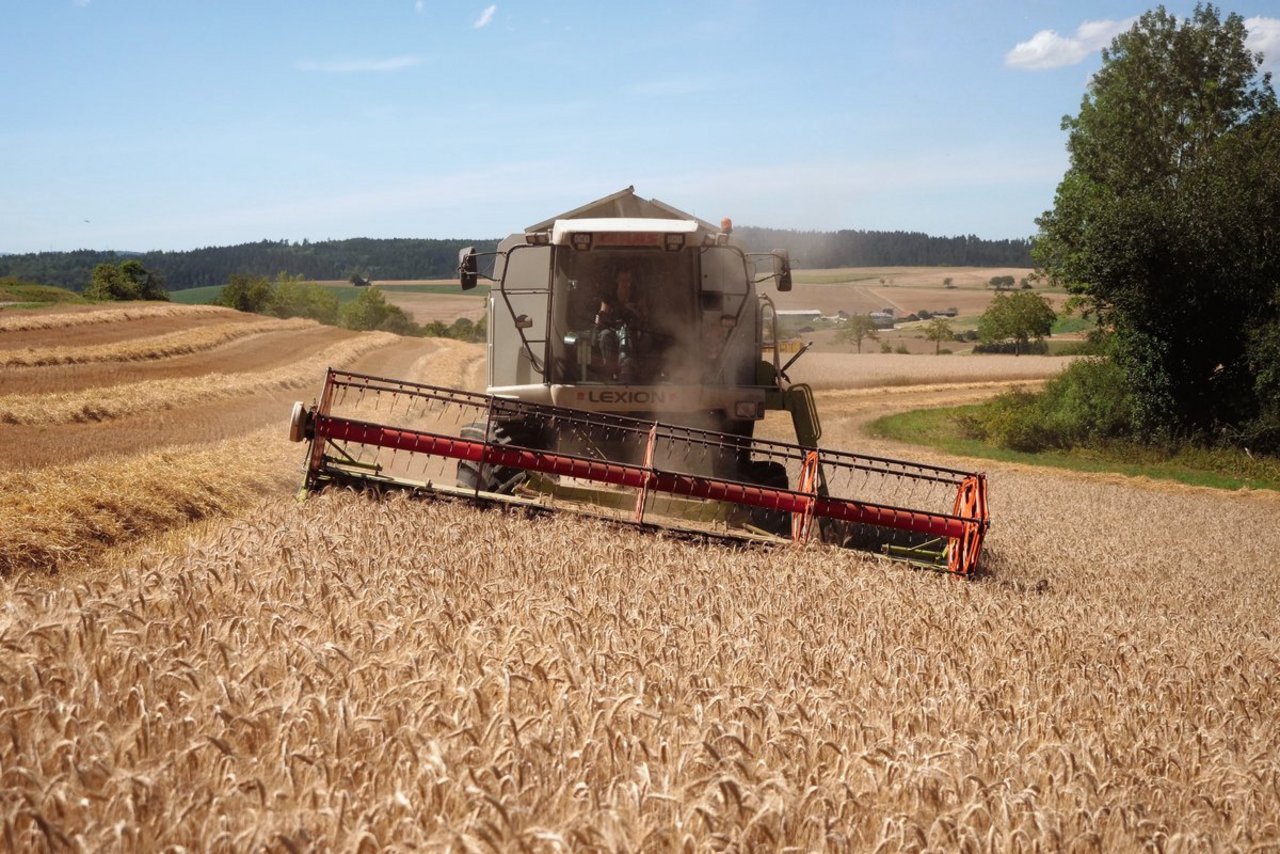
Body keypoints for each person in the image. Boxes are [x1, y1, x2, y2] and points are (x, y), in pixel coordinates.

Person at [595, 269, 645, 382]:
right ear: (617, 280)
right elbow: (603, 311)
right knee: (604, 336)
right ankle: (609, 370)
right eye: (622, 280)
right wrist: (600, 317)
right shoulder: (609, 296)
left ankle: (637, 371)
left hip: (634, 329)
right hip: (613, 329)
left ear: (631, 281)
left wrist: (632, 309)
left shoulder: (638, 296)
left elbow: (644, 316)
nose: (625, 283)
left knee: (645, 339)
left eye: (627, 280)